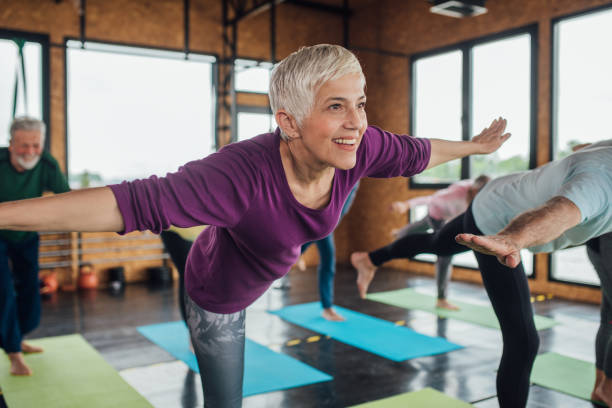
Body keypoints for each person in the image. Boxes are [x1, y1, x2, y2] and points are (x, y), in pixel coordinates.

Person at [0, 44, 509, 407]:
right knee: (226, 401)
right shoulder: (239, 172)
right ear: (288, 122)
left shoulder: (363, 144)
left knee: (362, 157)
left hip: (271, 255)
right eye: (337, 106)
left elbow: (420, 150)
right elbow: (126, 203)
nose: (356, 120)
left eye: (360, 102)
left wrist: (474, 148)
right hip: (218, 291)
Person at [351, 139, 612, 407]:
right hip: (497, 221)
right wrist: (511, 239)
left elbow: (583, 149)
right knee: (523, 341)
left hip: (497, 193)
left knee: (437, 243)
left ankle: (370, 259)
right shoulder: (601, 182)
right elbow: (558, 213)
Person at [0, 117, 70, 376]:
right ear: (10, 144)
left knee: (30, 289)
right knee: (3, 290)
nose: (30, 152)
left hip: (26, 235)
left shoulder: (47, 163)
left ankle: (18, 338)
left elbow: (66, 197)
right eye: (23, 145)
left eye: (36, 145)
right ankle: (14, 354)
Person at [382, 176, 490, 310]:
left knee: (422, 224)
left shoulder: (484, 196)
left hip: (447, 217)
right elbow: (430, 199)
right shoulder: (457, 193)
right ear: (474, 191)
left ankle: (400, 234)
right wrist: (407, 204)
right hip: (439, 215)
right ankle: (441, 299)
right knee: (444, 253)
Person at [296, 182, 360, 321]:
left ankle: (327, 308)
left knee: (328, 260)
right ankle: (296, 251)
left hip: (327, 222)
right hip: (321, 216)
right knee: (328, 259)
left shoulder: (355, 177)